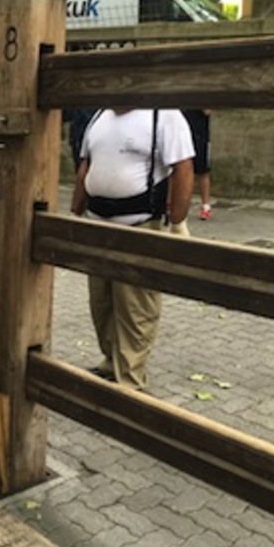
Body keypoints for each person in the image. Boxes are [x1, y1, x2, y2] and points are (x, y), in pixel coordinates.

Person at [71, 108, 194, 390]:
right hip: (98, 225)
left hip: (139, 226)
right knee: (101, 302)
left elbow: (183, 168)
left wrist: (178, 223)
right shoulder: (99, 115)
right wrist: (76, 215)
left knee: (136, 305)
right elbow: (85, 166)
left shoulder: (163, 115)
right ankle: (111, 361)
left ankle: (131, 378)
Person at [181, 109, 213, 220]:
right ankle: (171, 204)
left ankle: (206, 206)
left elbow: (208, 111)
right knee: (175, 169)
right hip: (182, 133)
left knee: (202, 171)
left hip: (200, 135)